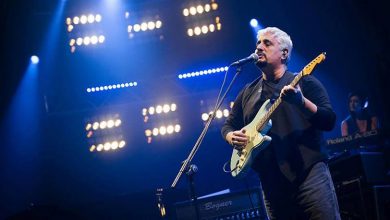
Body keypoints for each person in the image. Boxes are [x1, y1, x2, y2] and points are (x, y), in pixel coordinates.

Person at [221, 27, 340, 219]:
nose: (259, 47)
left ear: (284, 53)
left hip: (309, 175)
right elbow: (228, 125)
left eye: (267, 43)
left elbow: (329, 120)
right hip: (271, 183)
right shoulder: (247, 92)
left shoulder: (304, 81)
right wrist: (230, 136)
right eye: (258, 43)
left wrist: (301, 102)